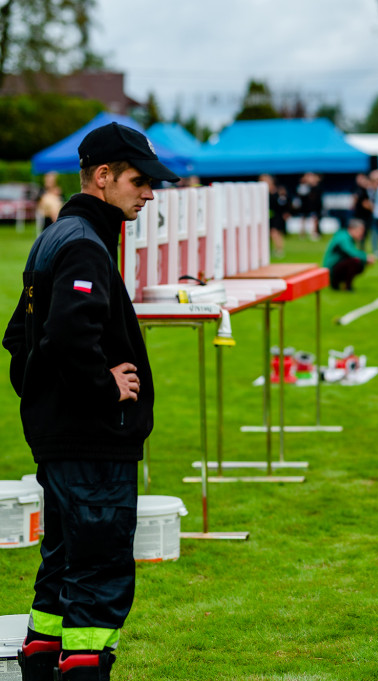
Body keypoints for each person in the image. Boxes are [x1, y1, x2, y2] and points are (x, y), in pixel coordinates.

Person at [3, 122, 178, 681]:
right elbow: (67, 336)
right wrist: (107, 387)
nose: (149, 193)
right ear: (102, 178)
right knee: (97, 577)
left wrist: (45, 405)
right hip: (90, 440)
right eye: (139, 180)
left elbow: (17, 341)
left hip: (64, 438)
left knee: (61, 569)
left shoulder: (61, 233)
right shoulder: (83, 240)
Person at [322, 219, 375, 291]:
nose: (362, 233)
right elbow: (350, 252)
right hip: (331, 270)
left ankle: (340, 284)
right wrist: (365, 257)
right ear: (352, 229)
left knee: (358, 262)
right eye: (360, 230)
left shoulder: (345, 235)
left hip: (333, 267)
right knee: (355, 262)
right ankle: (346, 286)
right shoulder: (343, 238)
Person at [260, 174, 288, 258]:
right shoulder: (262, 192)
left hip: (276, 215)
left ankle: (279, 250)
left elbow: (282, 204)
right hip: (267, 216)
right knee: (269, 234)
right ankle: (271, 250)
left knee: (275, 233)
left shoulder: (277, 191)